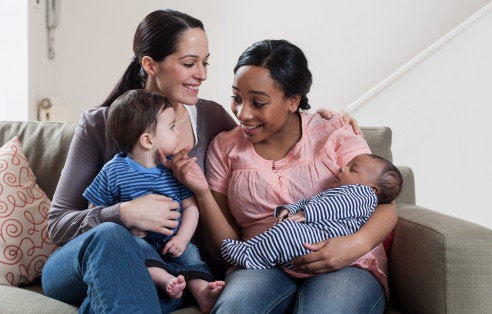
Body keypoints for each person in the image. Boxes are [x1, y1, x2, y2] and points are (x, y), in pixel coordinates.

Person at [42, 9, 359, 313]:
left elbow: (268, 138)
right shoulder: (100, 124)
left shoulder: (211, 118)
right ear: (151, 64)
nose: (202, 75)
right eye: (189, 63)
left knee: (143, 287)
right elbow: (58, 224)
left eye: (205, 63)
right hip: (85, 263)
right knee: (112, 237)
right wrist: (121, 213)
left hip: (169, 272)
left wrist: (315, 116)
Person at [162, 39, 397, 313]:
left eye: (258, 102)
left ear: (293, 100)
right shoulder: (225, 147)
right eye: (237, 98)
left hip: (345, 262)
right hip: (262, 262)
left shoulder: (332, 130)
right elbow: (225, 245)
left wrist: (353, 246)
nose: (242, 113)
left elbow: (383, 202)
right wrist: (202, 193)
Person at [83, 89, 225, 311]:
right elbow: (94, 210)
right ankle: (164, 280)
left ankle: (200, 290)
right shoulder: (113, 170)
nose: (178, 131)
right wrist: (125, 224)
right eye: (171, 127)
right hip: (138, 243)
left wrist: (182, 238)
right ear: (148, 140)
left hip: (173, 241)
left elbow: (191, 208)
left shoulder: (175, 169)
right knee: (137, 250)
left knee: (190, 254)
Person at [221, 153, 402, 270]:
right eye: (347, 164)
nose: (342, 167)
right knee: (284, 230)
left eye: (352, 169)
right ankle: (253, 250)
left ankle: (251, 256)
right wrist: (288, 210)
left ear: (372, 189)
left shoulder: (362, 196)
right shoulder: (341, 191)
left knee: (286, 232)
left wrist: (306, 214)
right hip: (311, 238)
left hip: (321, 240)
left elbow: (332, 206)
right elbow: (309, 202)